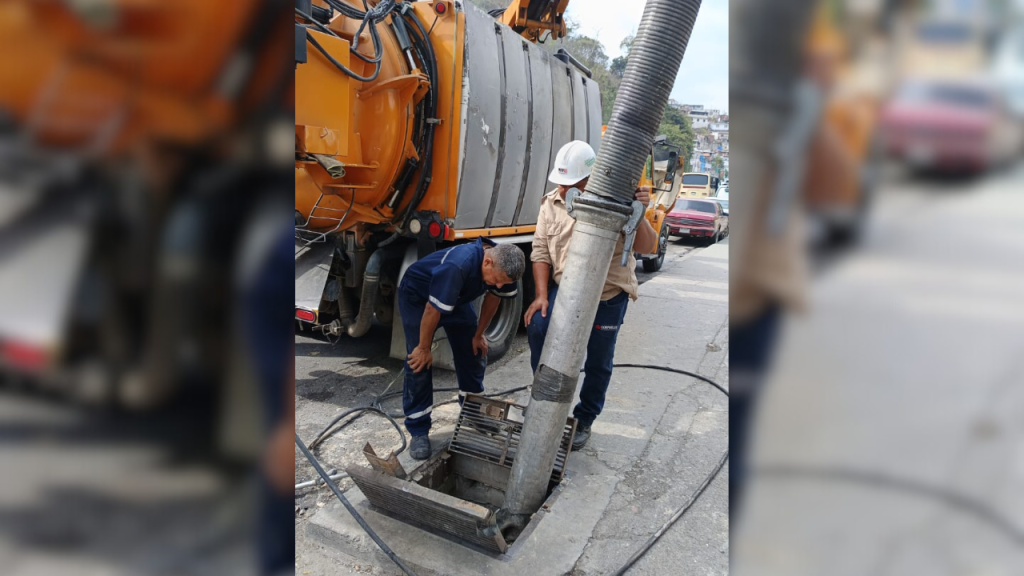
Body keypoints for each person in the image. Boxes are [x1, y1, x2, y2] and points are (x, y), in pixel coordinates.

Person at [525, 140, 657, 450]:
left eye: (570, 183)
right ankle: (543, 399)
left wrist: (641, 213)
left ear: (590, 180)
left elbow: (647, 247)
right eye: (560, 181)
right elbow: (541, 251)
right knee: (538, 328)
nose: (562, 189)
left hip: (607, 297)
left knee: (598, 361)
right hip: (567, 291)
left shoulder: (619, 202)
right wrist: (541, 295)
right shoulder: (551, 203)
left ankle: (585, 418)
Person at [399, 238, 526, 459]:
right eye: (496, 280)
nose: (498, 285)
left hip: (456, 298)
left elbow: (494, 299)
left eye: (502, 283)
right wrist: (424, 347)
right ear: (487, 263)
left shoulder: (506, 269)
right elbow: (432, 309)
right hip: (419, 298)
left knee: (473, 351)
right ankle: (418, 430)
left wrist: (478, 335)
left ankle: (472, 411)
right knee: (418, 360)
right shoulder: (457, 265)